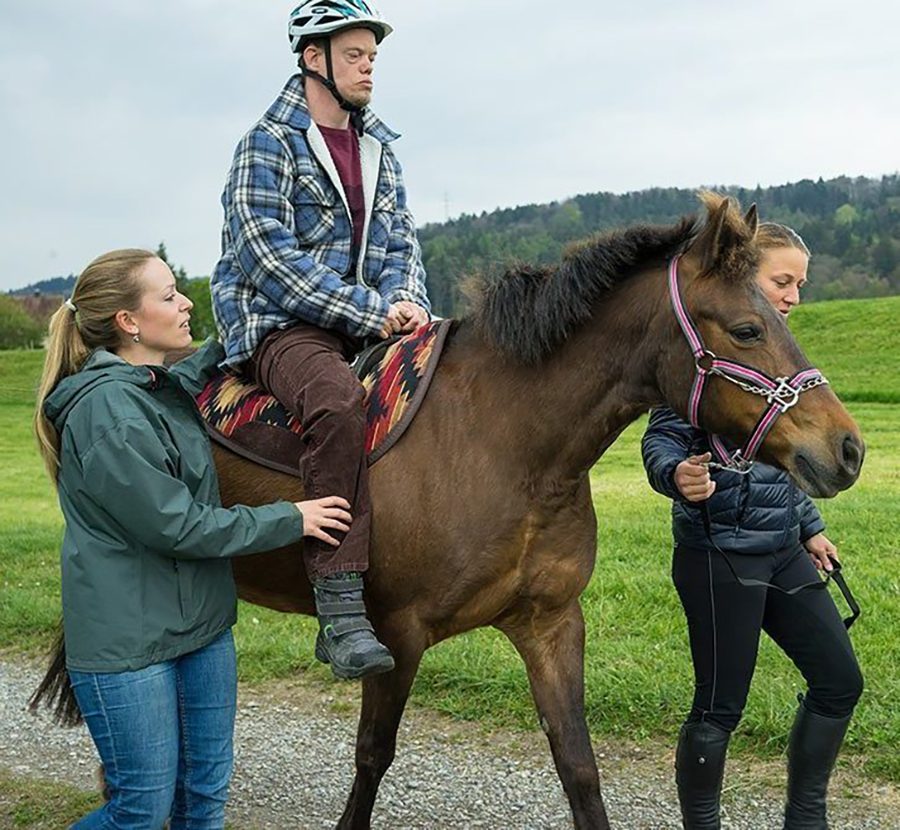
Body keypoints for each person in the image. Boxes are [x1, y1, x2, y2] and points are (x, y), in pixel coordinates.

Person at [33, 249, 352, 829]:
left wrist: (262, 321)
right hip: (129, 650)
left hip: (201, 633)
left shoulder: (153, 387)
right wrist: (292, 517)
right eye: (170, 294)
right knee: (140, 811)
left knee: (203, 801)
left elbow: (194, 369)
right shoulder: (108, 411)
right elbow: (177, 525)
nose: (185, 303)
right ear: (129, 322)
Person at [210, 0, 430, 680]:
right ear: (315, 58)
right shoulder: (265, 144)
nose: (369, 68)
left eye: (373, 57)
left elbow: (400, 241)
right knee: (336, 400)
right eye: (356, 56)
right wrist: (371, 310)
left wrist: (410, 303)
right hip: (282, 324)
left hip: (363, 317)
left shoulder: (379, 148)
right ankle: (337, 602)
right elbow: (268, 257)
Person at [641, 224, 863, 829]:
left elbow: (785, 460)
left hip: (783, 549)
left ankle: (805, 817)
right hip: (719, 554)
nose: (793, 294)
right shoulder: (709, 353)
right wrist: (675, 473)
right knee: (719, 708)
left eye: (800, 285)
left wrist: (810, 526)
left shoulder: (776, 356)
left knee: (839, 679)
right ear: (745, 283)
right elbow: (662, 437)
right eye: (782, 280)